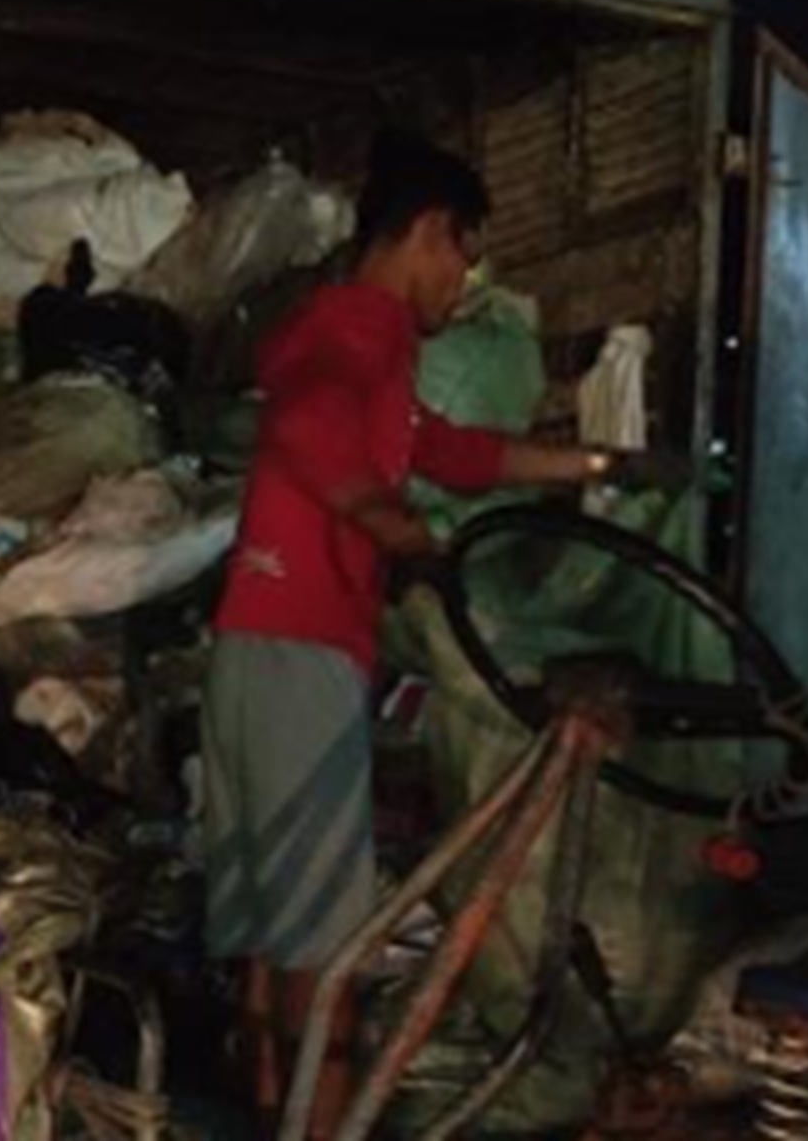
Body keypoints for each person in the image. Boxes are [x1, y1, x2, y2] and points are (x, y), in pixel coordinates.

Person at [204, 129, 621, 1139]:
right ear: (430, 234)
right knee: (321, 935)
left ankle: (271, 1113)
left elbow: (453, 451)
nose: (461, 280)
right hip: (299, 646)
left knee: (273, 924)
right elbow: (308, 427)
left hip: (261, 642)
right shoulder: (355, 332)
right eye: (462, 255)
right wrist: (397, 530)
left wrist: (598, 468)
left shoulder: (362, 348)